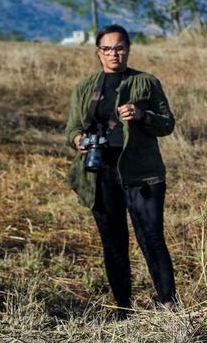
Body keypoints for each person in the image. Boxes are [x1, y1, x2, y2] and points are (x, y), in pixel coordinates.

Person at [64, 24, 177, 316]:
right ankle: (123, 308)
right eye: (107, 49)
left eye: (119, 47)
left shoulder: (146, 82)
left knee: (151, 238)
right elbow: (72, 127)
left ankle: (168, 304)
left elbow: (167, 123)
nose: (114, 54)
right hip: (100, 172)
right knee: (112, 241)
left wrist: (142, 115)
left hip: (141, 174)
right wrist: (78, 140)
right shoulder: (85, 86)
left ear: (128, 49)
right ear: (98, 52)